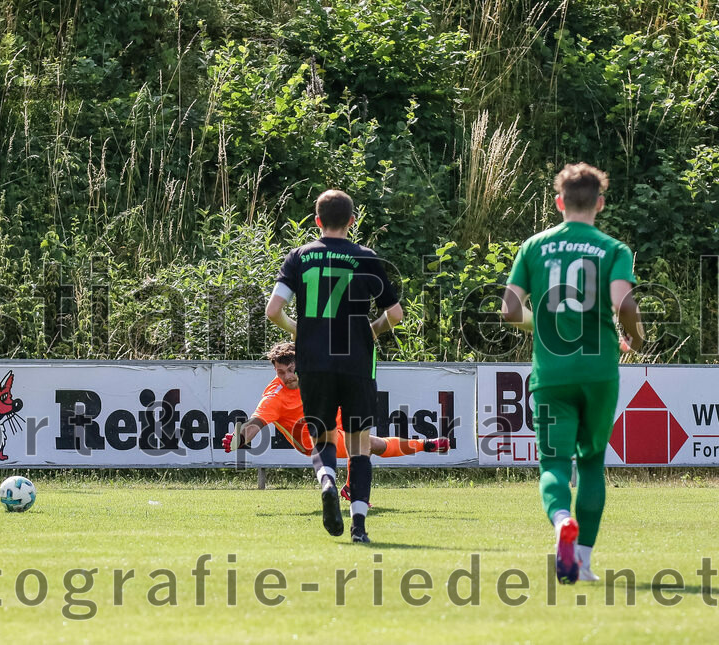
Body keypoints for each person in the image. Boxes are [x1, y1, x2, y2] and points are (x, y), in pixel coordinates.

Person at [501, 163, 644, 583]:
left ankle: (562, 518)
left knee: (554, 463)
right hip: (599, 371)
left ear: (559, 202)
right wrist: (634, 338)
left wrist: (542, 324)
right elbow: (624, 305)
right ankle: (581, 561)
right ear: (599, 203)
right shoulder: (613, 249)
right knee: (594, 462)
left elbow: (508, 311)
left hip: (551, 375)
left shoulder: (533, 247)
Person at [265, 189, 403, 543]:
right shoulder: (367, 257)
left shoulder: (299, 257)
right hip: (357, 362)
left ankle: (326, 480)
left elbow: (273, 310)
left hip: (315, 362)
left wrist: (303, 331)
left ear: (317, 221)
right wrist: (371, 331)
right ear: (352, 222)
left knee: (322, 438)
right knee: (359, 445)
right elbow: (395, 314)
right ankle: (358, 527)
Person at [222, 342, 449, 502]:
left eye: (291, 370)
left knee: (375, 444)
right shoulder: (275, 397)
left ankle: (425, 446)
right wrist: (241, 437)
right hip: (311, 438)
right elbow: (255, 423)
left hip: (333, 419)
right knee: (365, 444)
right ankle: (353, 489)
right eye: (280, 372)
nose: (287, 377)